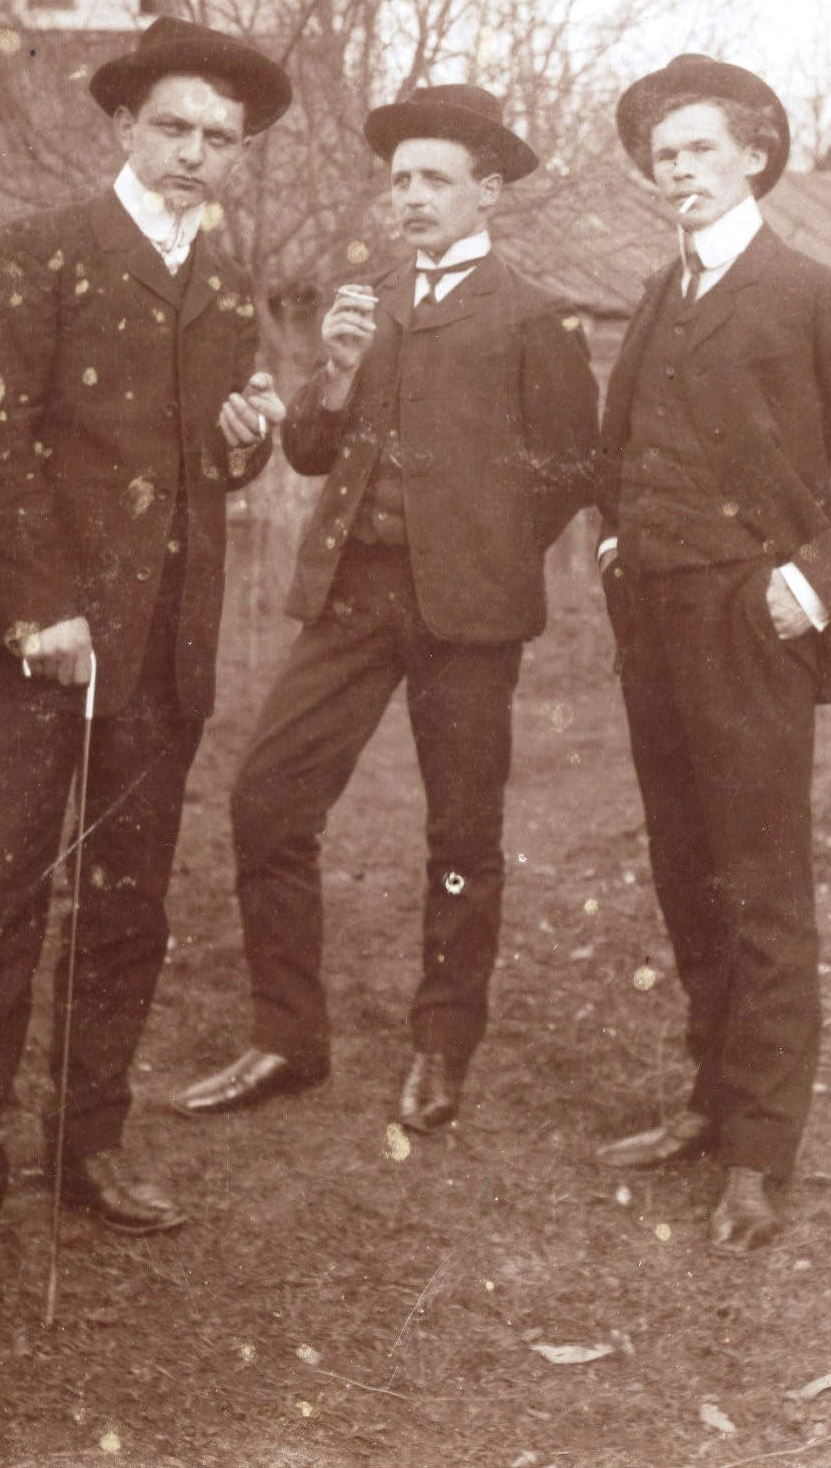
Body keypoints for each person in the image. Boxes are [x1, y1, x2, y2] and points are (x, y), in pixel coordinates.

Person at [0, 17, 291, 1331]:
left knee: (126, 905)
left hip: (159, 655)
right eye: (175, 128)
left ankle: (85, 1143)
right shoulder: (39, 246)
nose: (196, 153)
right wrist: (42, 609)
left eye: (220, 138)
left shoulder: (227, 277)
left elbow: (204, 470)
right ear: (123, 126)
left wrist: (242, 440)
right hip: (33, 646)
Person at [173, 83, 599, 1134]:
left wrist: (482, 555)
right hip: (352, 594)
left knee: (462, 831)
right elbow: (309, 451)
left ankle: (441, 1047)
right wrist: (335, 366)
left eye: (434, 180)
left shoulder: (534, 314)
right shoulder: (365, 300)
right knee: (267, 800)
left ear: (486, 192)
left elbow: (568, 469)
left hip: (468, 615)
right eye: (400, 179)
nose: (410, 197)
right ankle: (287, 1036)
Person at [593, 54, 831, 1250]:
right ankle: (708, 1100)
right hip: (656, 626)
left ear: (753, 156)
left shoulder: (810, 293)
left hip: (754, 624)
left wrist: (813, 584)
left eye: (698, 148)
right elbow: (620, 445)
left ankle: (756, 1152)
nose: (675, 169)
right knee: (684, 871)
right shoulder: (661, 291)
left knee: (758, 887)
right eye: (661, 154)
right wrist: (614, 546)